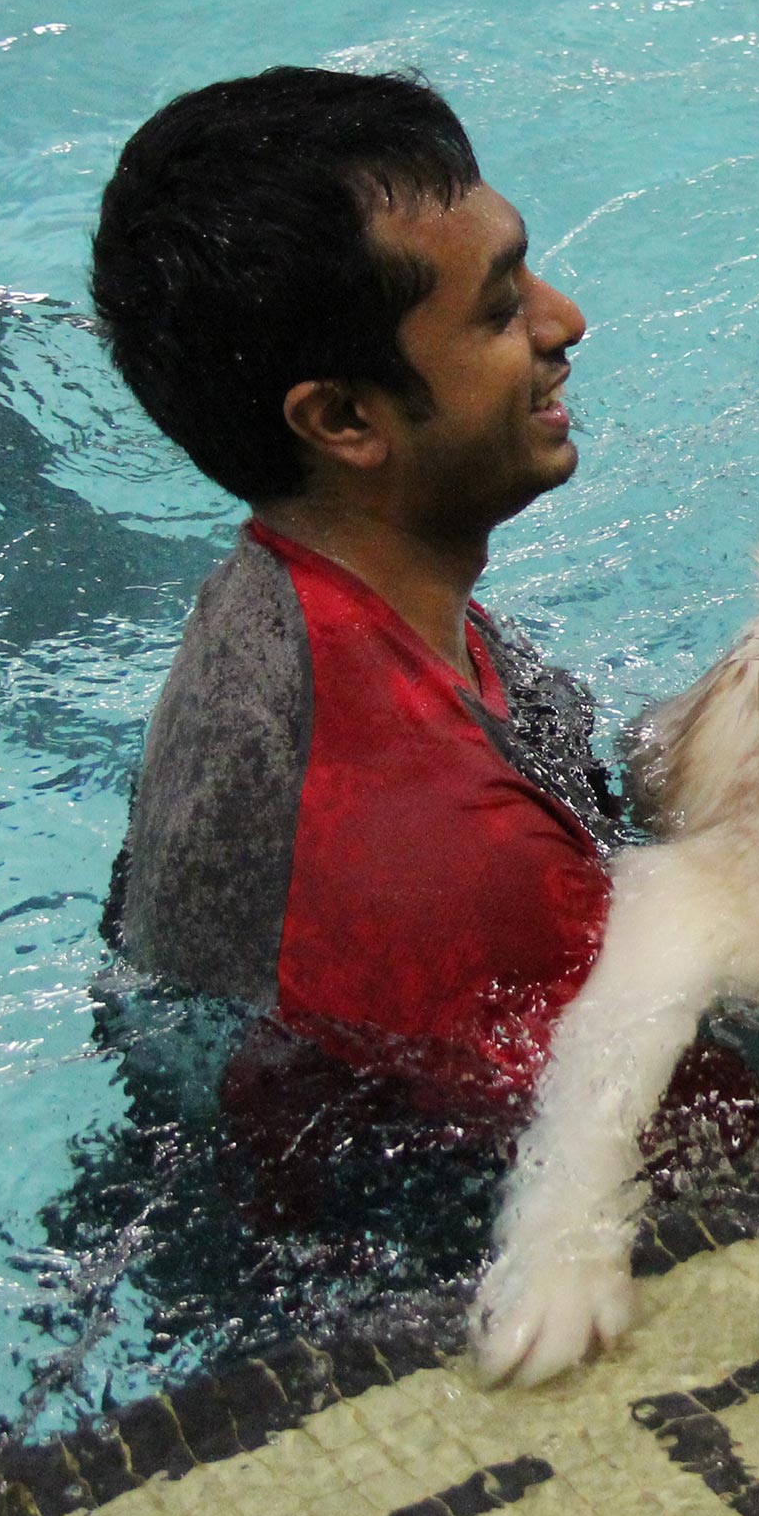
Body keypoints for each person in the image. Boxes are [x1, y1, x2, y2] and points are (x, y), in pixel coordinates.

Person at [92, 66, 619, 1114]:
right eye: (502, 306)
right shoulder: (457, 852)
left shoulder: (279, 604)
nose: (566, 322)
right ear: (342, 421)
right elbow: (725, 1163)